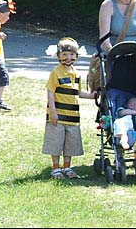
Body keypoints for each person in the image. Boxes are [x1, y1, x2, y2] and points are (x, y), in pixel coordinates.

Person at [42, 37, 97, 179]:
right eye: (65, 54)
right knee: (56, 141)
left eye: (72, 54)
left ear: (77, 56)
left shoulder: (76, 74)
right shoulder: (56, 73)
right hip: (58, 115)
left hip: (72, 116)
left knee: (70, 143)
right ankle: (55, 168)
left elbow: (77, 93)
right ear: (58, 56)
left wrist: (92, 95)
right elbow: (50, 92)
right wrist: (52, 112)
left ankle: (67, 167)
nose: (68, 57)